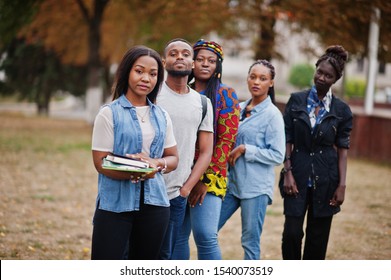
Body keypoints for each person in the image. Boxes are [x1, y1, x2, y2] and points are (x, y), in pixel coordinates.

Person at [90, 45, 178, 260]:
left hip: (155, 204)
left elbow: (173, 158)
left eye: (153, 74)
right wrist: (135, 170)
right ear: (127, 72)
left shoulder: (162, 115)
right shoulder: (109, 114)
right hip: (114, 205)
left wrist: (155, 164)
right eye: (139, 71)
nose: (146, 78)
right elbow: (100, 162)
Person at [281, 45, 353, 260]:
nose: (322, 78)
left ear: (335, 79)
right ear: (315, 70)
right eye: (319, 72)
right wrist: (288, 172)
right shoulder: (296, 101)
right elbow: (287, 138)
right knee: (292, 234)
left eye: (328, 75)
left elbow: (343, 150)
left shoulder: (342, 111)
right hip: (297, 174)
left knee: (317, 238)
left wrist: (341, 185)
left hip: (327, 179)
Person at [171, 39, 240, 260]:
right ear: (192, 63)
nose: (205, 64)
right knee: (177, 236)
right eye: (200, 59)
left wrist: (204, 180)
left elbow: (225, 143)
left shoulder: (226, 95)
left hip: (210, 176)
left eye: (211, 61)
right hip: (179, 173)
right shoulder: (183, 92)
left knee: (205, 235)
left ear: (218, 66)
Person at [218, 59, 285, 260]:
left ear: (271, 83)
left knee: (250, 242)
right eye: (253, 77)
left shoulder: (272, 115)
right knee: (207, 230)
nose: (256, 82)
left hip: (255, 188)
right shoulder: (237, 109)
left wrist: (246, 149)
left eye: (263, 79)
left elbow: (278, 155)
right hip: (231, 184)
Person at [156, 38, 214, 260]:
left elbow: (206, 151)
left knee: (166, 256)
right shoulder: (152, 94)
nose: (179, 56)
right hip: (145, 188)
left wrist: (186, 189)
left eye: (185, 54)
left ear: (192, 64)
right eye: (173, 53)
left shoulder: (202, 103)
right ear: (163, 62)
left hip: (176, 194)